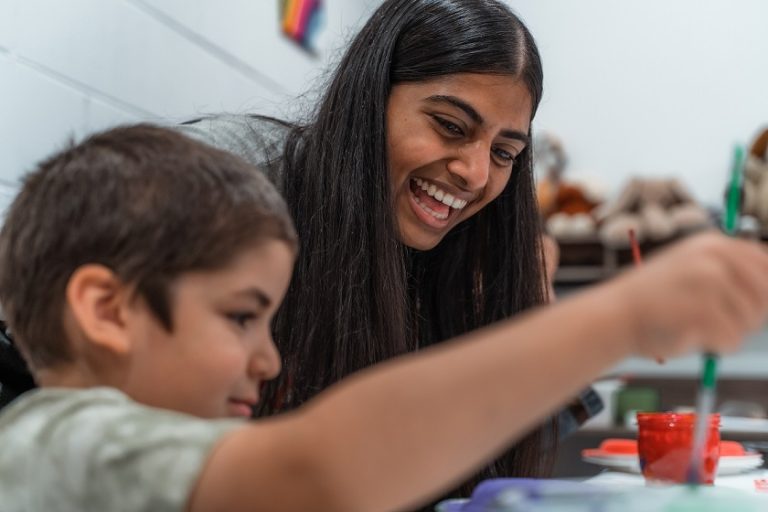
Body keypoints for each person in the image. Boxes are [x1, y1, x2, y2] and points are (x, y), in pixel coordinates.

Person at [2, 124, 768, 512]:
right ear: (106, 310)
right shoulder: (62, 441)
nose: (269, 361)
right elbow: (322, 468)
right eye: (240, 317)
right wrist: (620, 317)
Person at [174, 0, 573, 496]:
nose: (474, 174)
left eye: (504, 153)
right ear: (371, 95)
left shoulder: (469, 246)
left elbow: (499, 458)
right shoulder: (223, 181)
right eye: (450, 125)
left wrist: (534, 301)